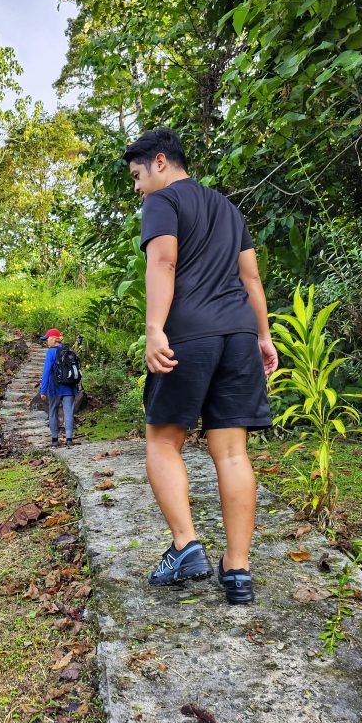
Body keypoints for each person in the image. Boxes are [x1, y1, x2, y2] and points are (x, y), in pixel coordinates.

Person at [124, 127, 278, 605]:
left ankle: (186, 545)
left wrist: (154, 329)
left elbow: (164, 262)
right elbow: (250, 276)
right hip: (237, 335)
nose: (136, 186)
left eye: (136, 175)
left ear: (161, 162)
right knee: (232, 452)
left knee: (163, 439)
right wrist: (263, 336)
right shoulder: (230, 210)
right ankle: (237, 572)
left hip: (188, 333)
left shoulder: (163, 201)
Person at [38, 329, 79, 448]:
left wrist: (43, 390)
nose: (46, 342)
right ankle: (69, 439)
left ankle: (55, 439)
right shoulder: (69, 350)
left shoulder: (50, 352)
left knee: (53, 411)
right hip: (69, 387)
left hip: (54, 388)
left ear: (53, 339)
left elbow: (46, 372)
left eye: (47, 339)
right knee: (68, 412)